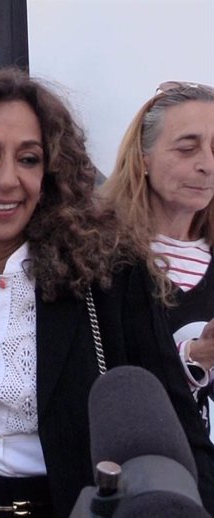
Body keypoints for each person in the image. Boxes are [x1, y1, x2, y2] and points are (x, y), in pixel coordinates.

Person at [0, 69, 214, 517]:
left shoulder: (110, 274)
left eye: (29, 159)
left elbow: (181, 428)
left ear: (52, 171)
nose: (8, 179)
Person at [101, 82, 214, 440]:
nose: (207, 165)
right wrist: (195, 358)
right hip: (159, 480)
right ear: (143, 157)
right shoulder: (104, 263)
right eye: (187, 149)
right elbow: (108, 385)